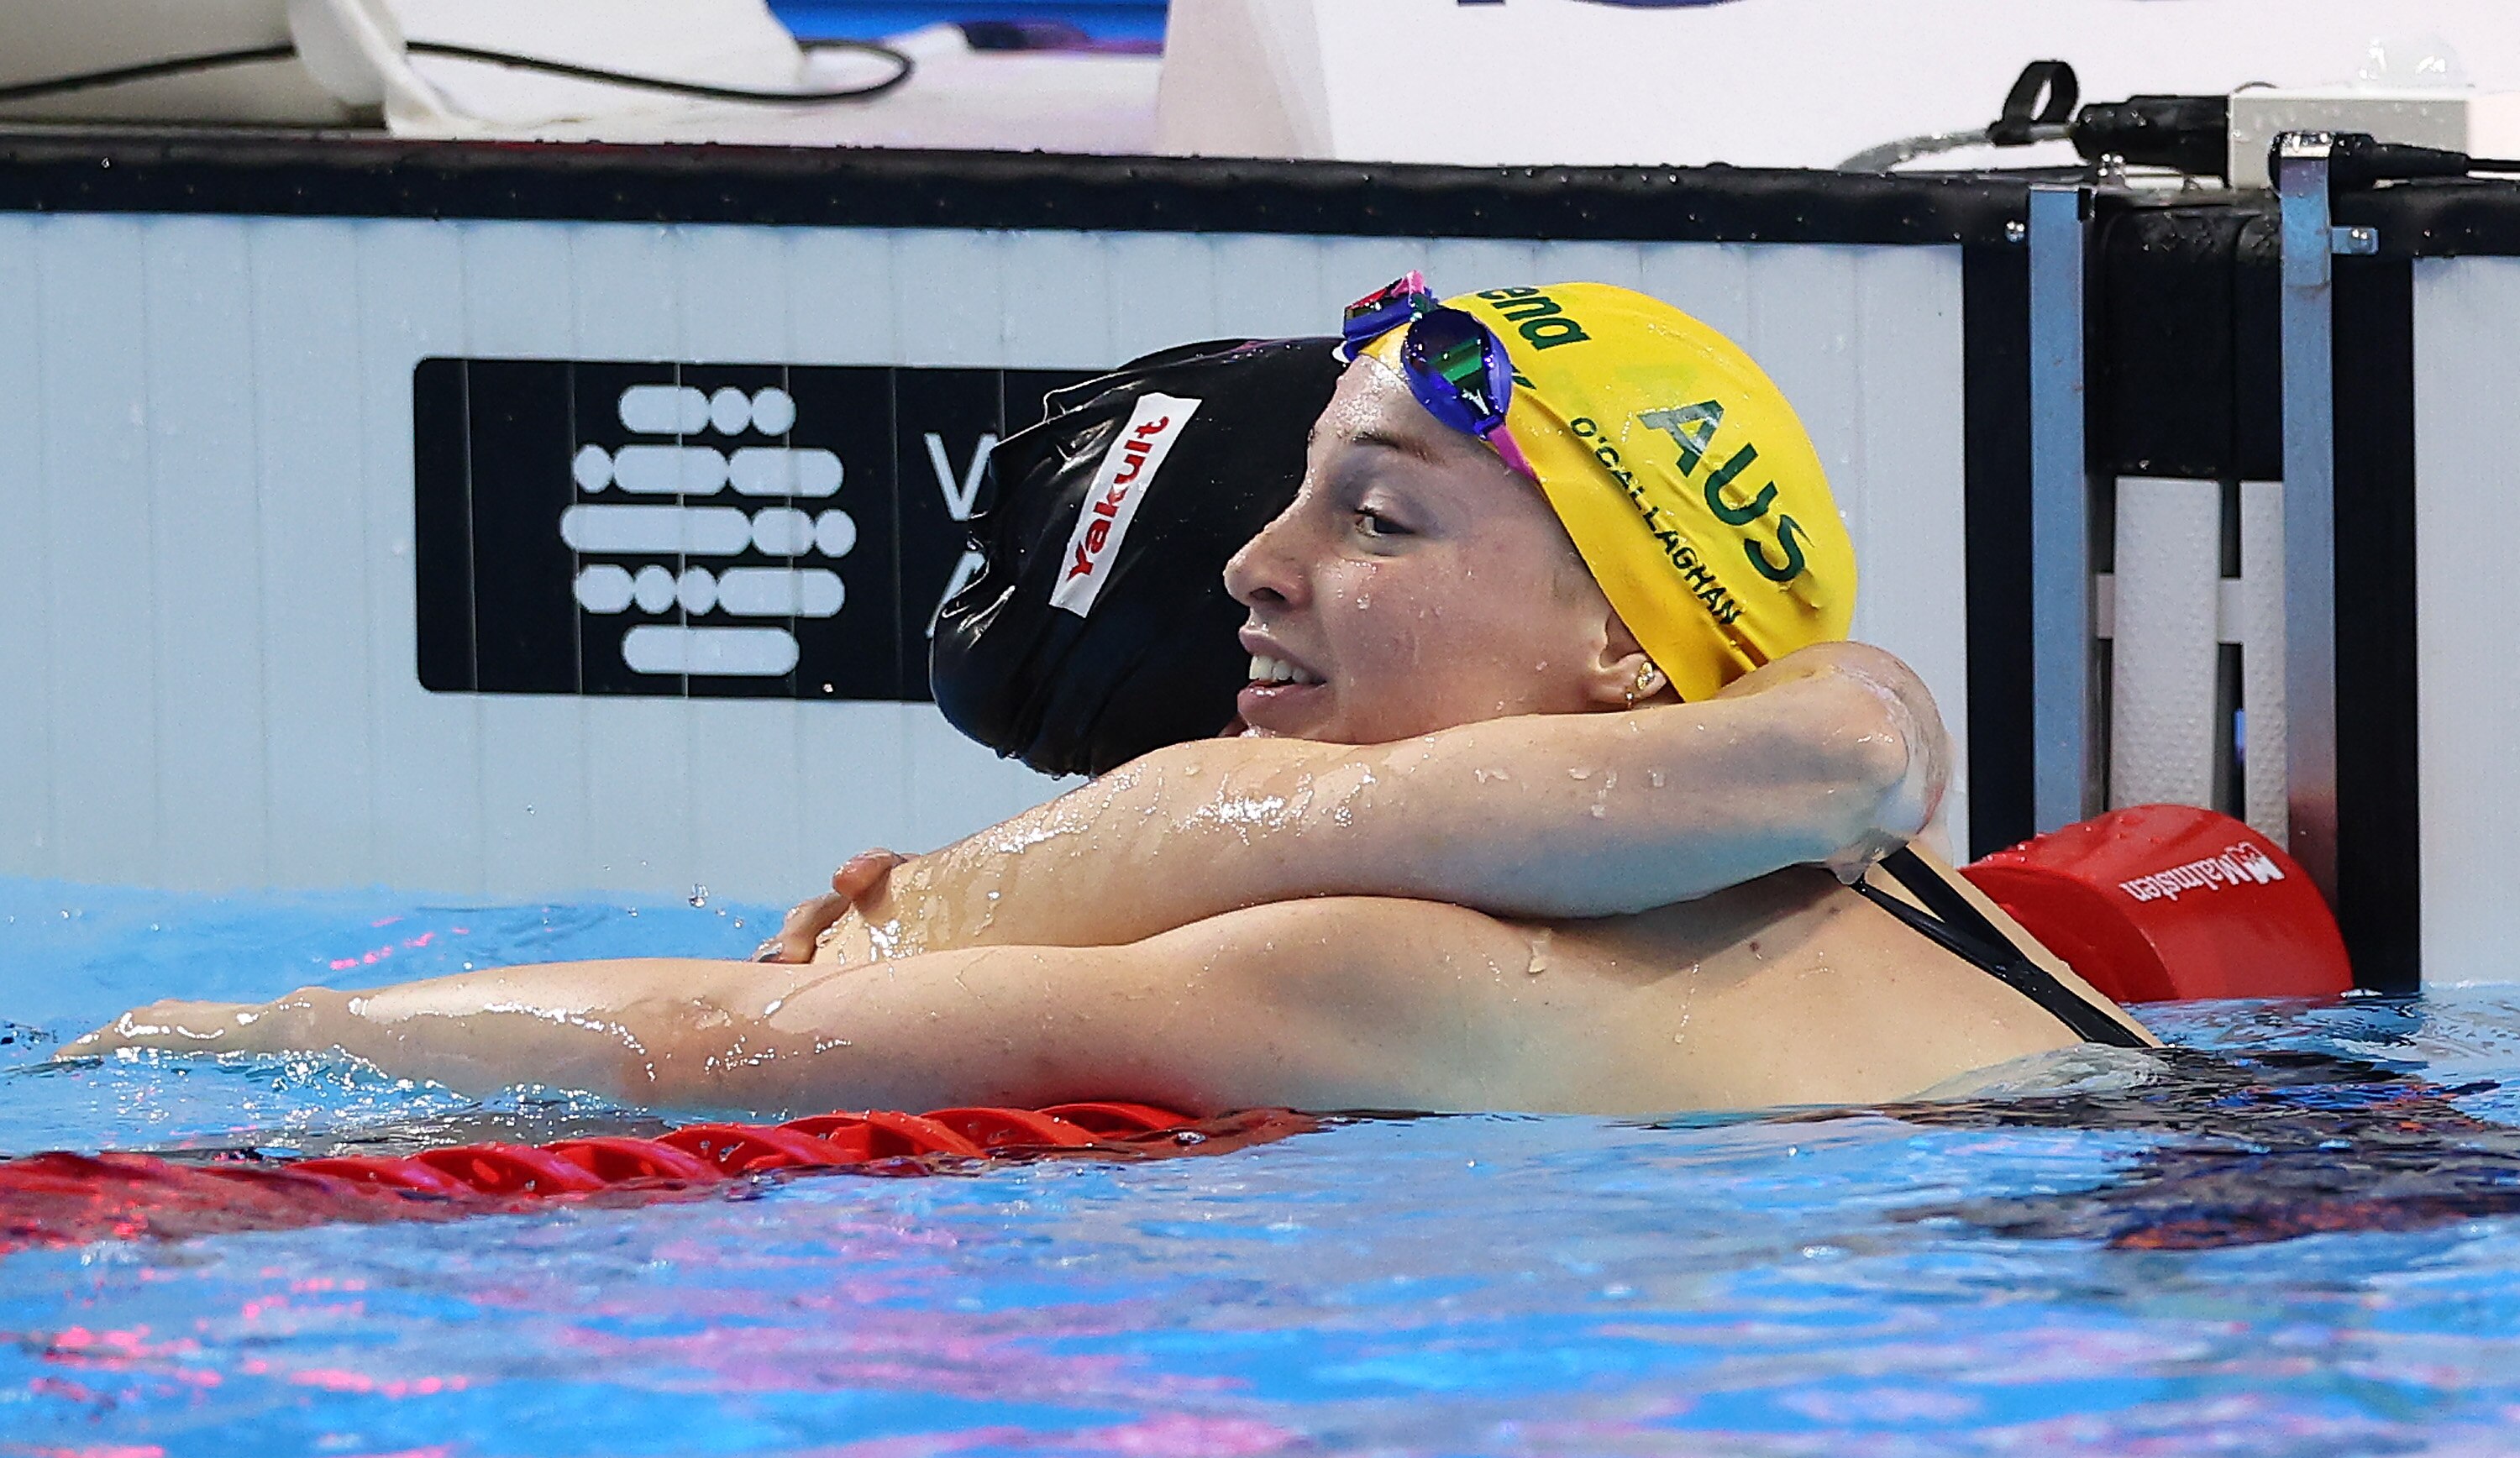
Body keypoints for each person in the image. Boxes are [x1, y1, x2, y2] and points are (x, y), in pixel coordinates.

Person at [65, 279, 2150, 1117]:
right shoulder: (1935, 894)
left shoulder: (1393, 972)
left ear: (1629, 645)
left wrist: (210, 1035)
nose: (1261, 562)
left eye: (1382, 522)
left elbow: (716, 1041)